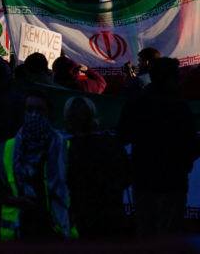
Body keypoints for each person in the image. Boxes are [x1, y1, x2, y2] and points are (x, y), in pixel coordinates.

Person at [117, 57, 200, 237]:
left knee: (146, 233)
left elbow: (122, 137)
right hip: (172, 180)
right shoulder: (180, 108)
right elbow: (192, 146)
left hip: (143, 178)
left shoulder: (136, 104)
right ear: (171, 78)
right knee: (169, 235)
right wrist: (184, 163)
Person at [0, 93, 73, 240]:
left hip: (55, 231)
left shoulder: (65, 148)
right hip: (19, 231)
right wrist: (14, 200)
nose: (34, 114)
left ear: (49, 114)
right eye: (29, 109)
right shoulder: (5, 149)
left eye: (40, 109)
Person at [64, 96, 129, 238]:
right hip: (113, 219)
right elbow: (126, 178)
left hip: (82, 221)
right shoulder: (113, 144)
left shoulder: (66, 150)